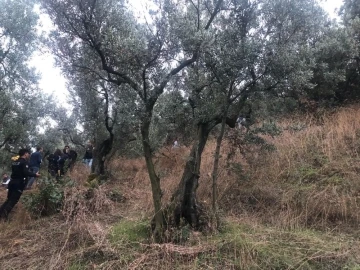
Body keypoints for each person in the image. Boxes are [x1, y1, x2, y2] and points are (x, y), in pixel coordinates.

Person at [0, 149, 40, 220]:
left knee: (9, 199)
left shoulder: (15, 162)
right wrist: (35, 174)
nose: (29, 155)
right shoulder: (24, 162)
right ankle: (4, 217)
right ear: (25, 154)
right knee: (13, 200)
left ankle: (1, 213)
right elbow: (26, 172)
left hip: (12, 182)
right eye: (28, 153)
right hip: (18, 183)